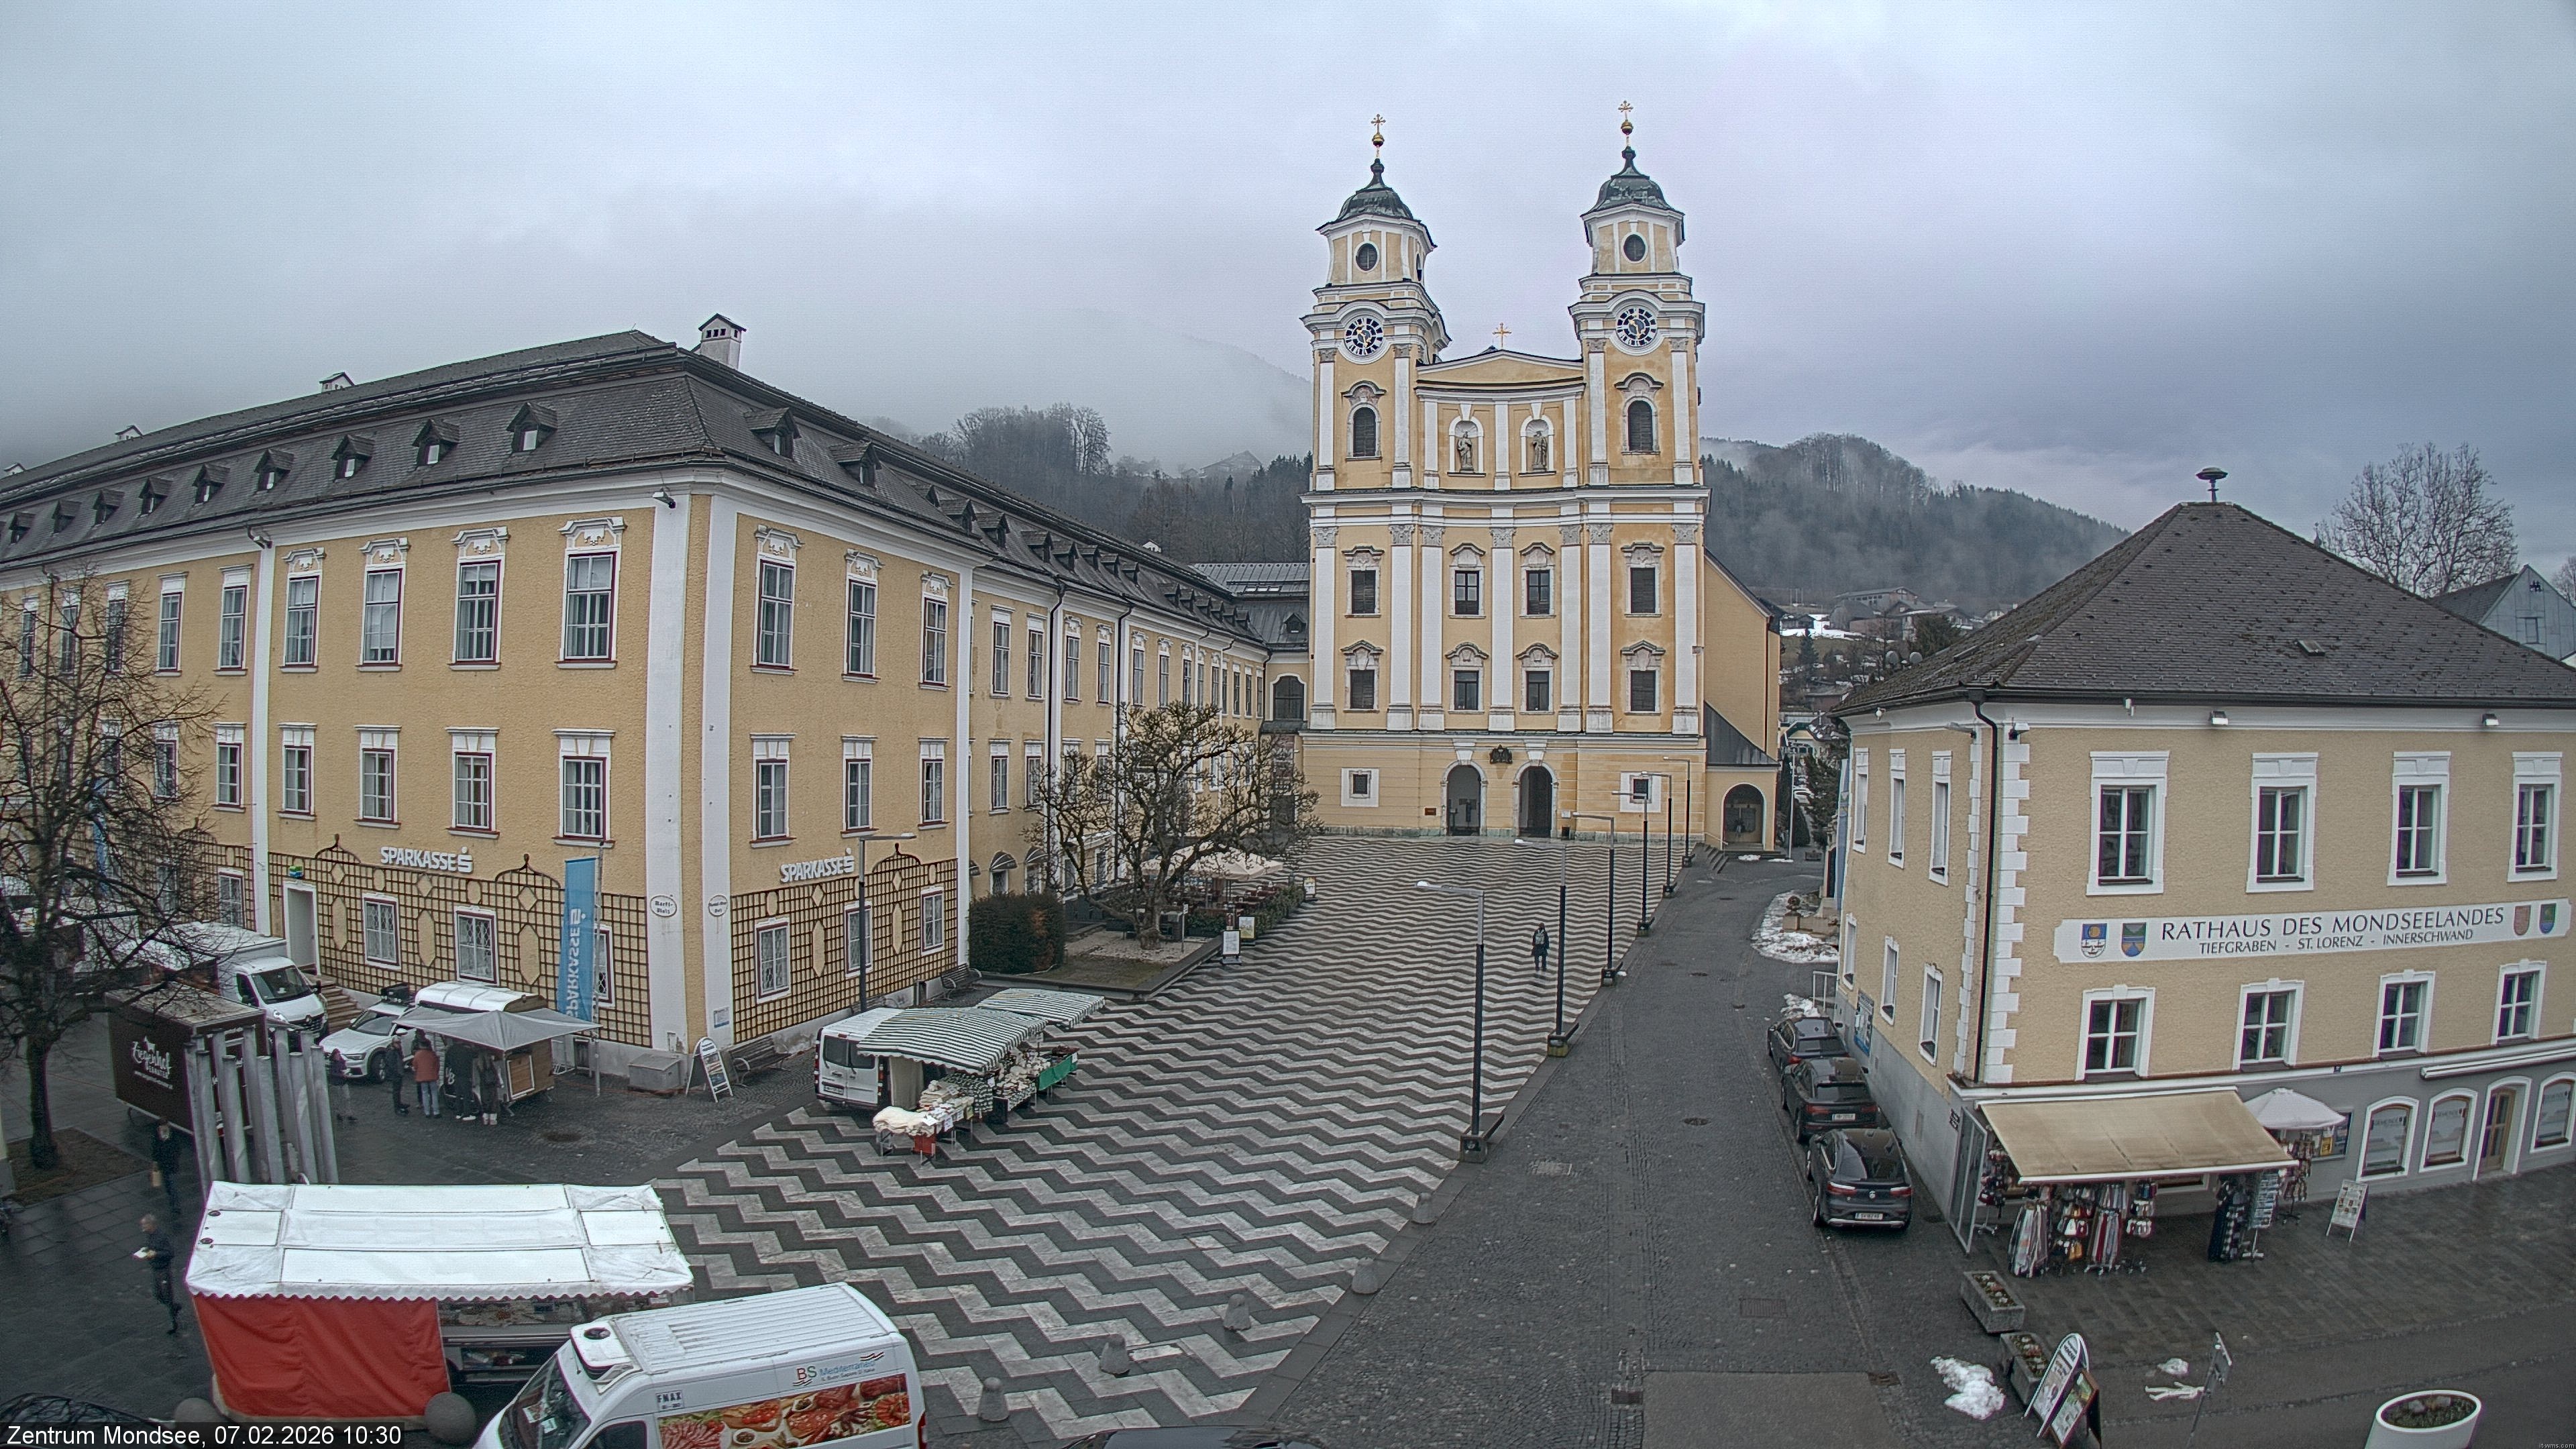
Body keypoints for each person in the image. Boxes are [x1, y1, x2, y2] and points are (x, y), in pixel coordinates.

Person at [138, 1214, 179, 1335]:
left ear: (151, 1225)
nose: (143, 1226)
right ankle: (174, 1307)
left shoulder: (161, 1237)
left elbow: (170, 1253)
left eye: (145, 1224)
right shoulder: (151, 1236)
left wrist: (155, 1254)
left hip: (163, 1270)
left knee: (167, 1295)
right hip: (156, 1269)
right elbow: (152, 1248)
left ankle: (173, 1322)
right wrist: (146, 1251)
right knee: (158, 1294)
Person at [149, 1122, 186, 1214]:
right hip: (163, 1166)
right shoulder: (157, 1137)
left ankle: (176, 1206)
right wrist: (155, 1162)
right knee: (168, 1185)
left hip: (171, 1165)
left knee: (173, 1185)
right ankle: (172, 1200)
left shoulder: (172, 1136)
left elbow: (177, 1149)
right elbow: (155, 1150)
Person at [411, 1036, 441, 1118]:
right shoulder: (433, 1054)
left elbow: (415, 1065)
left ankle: (427, 1112)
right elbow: (437, 1065)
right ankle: (436, 1112)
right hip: (432, 1076)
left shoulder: (417, 1055)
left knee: (425, 1093)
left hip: (422, 1076)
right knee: (434, 1093)